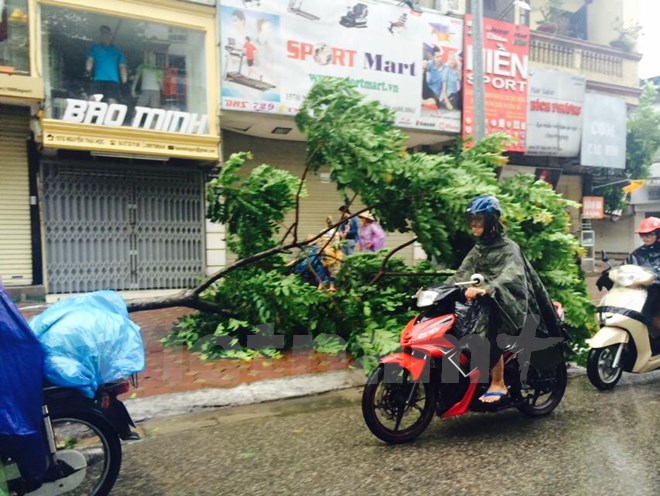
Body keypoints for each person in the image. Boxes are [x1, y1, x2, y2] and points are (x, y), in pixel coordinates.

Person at [443, 195, 564, 404]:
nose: (473, 224)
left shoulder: (509, 247)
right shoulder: (479, 248)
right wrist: (438, 290)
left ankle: (498, 382)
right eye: (471, 219)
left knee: (489, 329)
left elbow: (512, 275)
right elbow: (462, 273)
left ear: (490, 220)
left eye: (478, 219)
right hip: (485, 300)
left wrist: (489, 288)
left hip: (509, 302)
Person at [624, 217, 660, 332]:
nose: (646, 238)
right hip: (640, 292)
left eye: (650, 234)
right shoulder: (637, 253)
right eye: (643, 235)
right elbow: (626, 267)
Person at [85, 25, 127, 104]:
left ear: (110, 35)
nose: (104, 35)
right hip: (99, 79)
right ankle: (89, 116)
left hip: (111, 80)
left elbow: (122, 67)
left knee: (111, 100)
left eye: (106, 33)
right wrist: (88, 71)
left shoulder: (117, 51)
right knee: (93, 98)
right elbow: (89, 61)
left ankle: (113, 117)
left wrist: (124, 81)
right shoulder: (95, 48)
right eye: (102, 33)